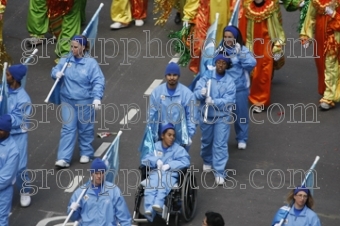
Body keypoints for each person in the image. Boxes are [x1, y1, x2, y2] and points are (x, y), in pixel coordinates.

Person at [51, 35, 105, 168]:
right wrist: (55, 73)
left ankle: (86, 152)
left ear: (83, 47)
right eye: (71, 46)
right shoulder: (66, 58)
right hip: (67, 100)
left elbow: (98, 81)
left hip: (85, 101)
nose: (72, 49)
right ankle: (63, 158)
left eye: (75, 47)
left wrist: (97, 97)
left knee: (85, 128)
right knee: (67, 128)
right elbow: (56, 69)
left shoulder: (91, 63)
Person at [194, 53, 236, 185]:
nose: (221, 65)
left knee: (220, 144)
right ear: (215, 63)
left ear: (227, 65)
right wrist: (201, 93)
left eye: (224, 63)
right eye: (219, 62)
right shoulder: (207, 76)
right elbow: (196, 91)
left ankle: (219, 171)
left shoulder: (229, 81)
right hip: (206, 115)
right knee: (207, 141)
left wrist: (214, 101)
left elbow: (230, 100)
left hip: (222, 116)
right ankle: (207, 160)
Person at [241, 0, 285, 113]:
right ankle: (257, 92)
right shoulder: (248, 8)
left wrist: (278, 44)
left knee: (264, 71)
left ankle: (259, 101)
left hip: (267, 43)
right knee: (254, 72)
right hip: (253, 43)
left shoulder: (271, 7)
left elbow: (277, 27)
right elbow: (248, 32)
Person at [141, 123, 190, 221]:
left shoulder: (178, 149)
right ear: (162, 136)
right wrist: (156, 161)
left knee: (163, 184)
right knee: (152, 184)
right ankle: (149, 209)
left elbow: (185, 161)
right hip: (156, 173)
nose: (172, 138)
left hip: (171, 174)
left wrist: (170, 165)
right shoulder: (154, 147)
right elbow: (145, 159)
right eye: (169, 135)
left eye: (173, 136)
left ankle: (158, 204)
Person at [219, 25, 257, 149]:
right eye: (225, 37)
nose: (227, 39)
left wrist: (239, 54)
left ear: (235, 38)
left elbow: (252, 63)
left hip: (239, 89)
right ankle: (221, 139)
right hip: (222, 90)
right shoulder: (219, 50)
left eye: (230, 37)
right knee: (221, 117)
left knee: (241, 114)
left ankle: (242, 138)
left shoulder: (242, 50)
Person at [300, 0, 340, 110]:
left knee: (330, 64)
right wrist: (306, 36)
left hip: (334, 37)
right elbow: (310, 17)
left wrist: (333, 14)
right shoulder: (316, 1)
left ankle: (329, 96)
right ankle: (329, 89)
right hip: (320, 37)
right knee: (321, 64)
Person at [67, 158, 131, 226]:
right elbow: (73, 218)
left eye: (102, 173)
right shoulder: (80, 193)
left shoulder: (114, 191)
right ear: (92, 174)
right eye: (96, 173)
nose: (99, 176)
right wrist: (73, 210)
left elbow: (124, 216)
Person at [148, 62, 196, 150]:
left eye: (175, 75)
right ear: (166, 76)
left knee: (179, 162)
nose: (172, 78)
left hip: (180, 137)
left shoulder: (187, 94)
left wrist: (188, 135)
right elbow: (152, 116)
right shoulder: (156, 93)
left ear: (178, 76)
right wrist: (152, 135)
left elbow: (191, 117)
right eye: (169, 75)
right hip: (161, 137)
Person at [6, 64, 33, 207]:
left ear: (15, 79)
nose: (5, 77)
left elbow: (19, 119)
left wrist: (4, 121)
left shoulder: (24, 99)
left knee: (20, 167)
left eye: (8, 75)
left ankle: (25, 190)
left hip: (18, 135)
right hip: (3, 133)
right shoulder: (3, 90)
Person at [0, 114, 19, 226]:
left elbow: (5, 178)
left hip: (3, 192)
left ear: (7, 131)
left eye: (1, 130)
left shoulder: (13, 150)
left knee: (1, 219)